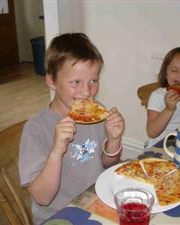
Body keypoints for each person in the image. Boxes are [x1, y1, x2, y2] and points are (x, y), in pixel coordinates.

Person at [19, 33, 125, 224]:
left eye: (93, 81)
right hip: (58, 215)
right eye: (75, 82)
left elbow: (108, 163)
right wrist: (57, 151)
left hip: (96, 201)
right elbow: (43, 198)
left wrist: (114, 139)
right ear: (51, 81)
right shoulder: (36, 129)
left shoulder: (96, 112)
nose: (86, 92)